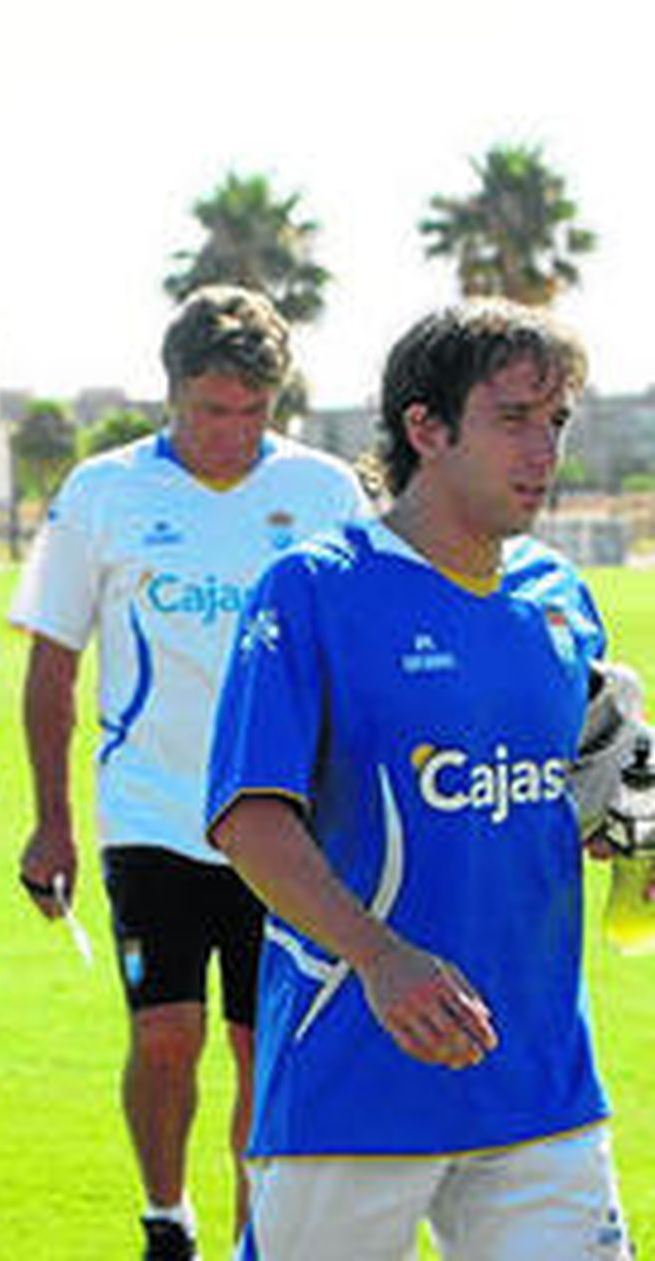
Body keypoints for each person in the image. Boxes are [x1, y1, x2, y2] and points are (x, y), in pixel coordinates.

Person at [207, 299, 636, 1260]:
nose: (545, 451)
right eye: (514, 418)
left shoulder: (559, 600)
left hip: (540, 1086)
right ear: (426, 427)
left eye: (557, 421)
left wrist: (624, 821)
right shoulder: (312, 588)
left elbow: (562, 810)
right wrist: (381, 956)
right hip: (349, 1083)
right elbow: (249, 820)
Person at [9, 285, 370, 1260]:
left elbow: (363, 656)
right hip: (150, 818)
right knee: (165, 1035)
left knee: (264, 1047)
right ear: (171, 394)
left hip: (286, 827)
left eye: (254, 412)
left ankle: (260, 1233)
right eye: (214, 411)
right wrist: (52, 821)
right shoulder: (101, 492)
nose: (233, 433)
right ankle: (167, 1218)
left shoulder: (329, 492)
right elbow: (51, 665)